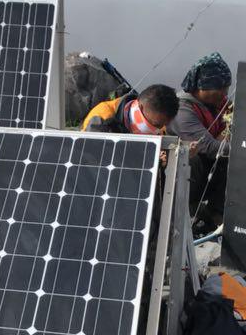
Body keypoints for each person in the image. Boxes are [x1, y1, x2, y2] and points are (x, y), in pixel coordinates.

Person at [172, 53, 232, 233]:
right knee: (195, 159)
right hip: (184, 175)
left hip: (209, 167)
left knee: (226, 160)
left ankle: (215, 213)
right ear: (202, 87)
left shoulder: (216, 103)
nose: (225, 94)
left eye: (226, 88)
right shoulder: (182, 111)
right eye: (220, 89)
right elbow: (212, 148)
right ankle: (189, 210)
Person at [81, 83, 179, 135]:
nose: (159, 129)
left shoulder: (161, 122)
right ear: (140, 107)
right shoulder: (101, 120)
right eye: (155, 124)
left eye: (163, 125)